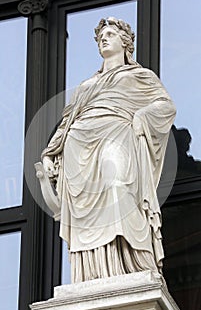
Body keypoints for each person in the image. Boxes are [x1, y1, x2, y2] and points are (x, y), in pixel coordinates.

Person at [41, 17, 176, 283]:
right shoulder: (86, 86)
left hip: (117, 135)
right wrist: (49, 152)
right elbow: (67, 121)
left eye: (111, 34)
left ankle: (131, 263)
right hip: (79, 144)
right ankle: (93, 272)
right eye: (101, 35)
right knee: (85, 206)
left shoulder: (140, 76)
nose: (104, 38)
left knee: (119, 187)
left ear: (125, 43)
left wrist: (143, 117)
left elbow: (165, 106)